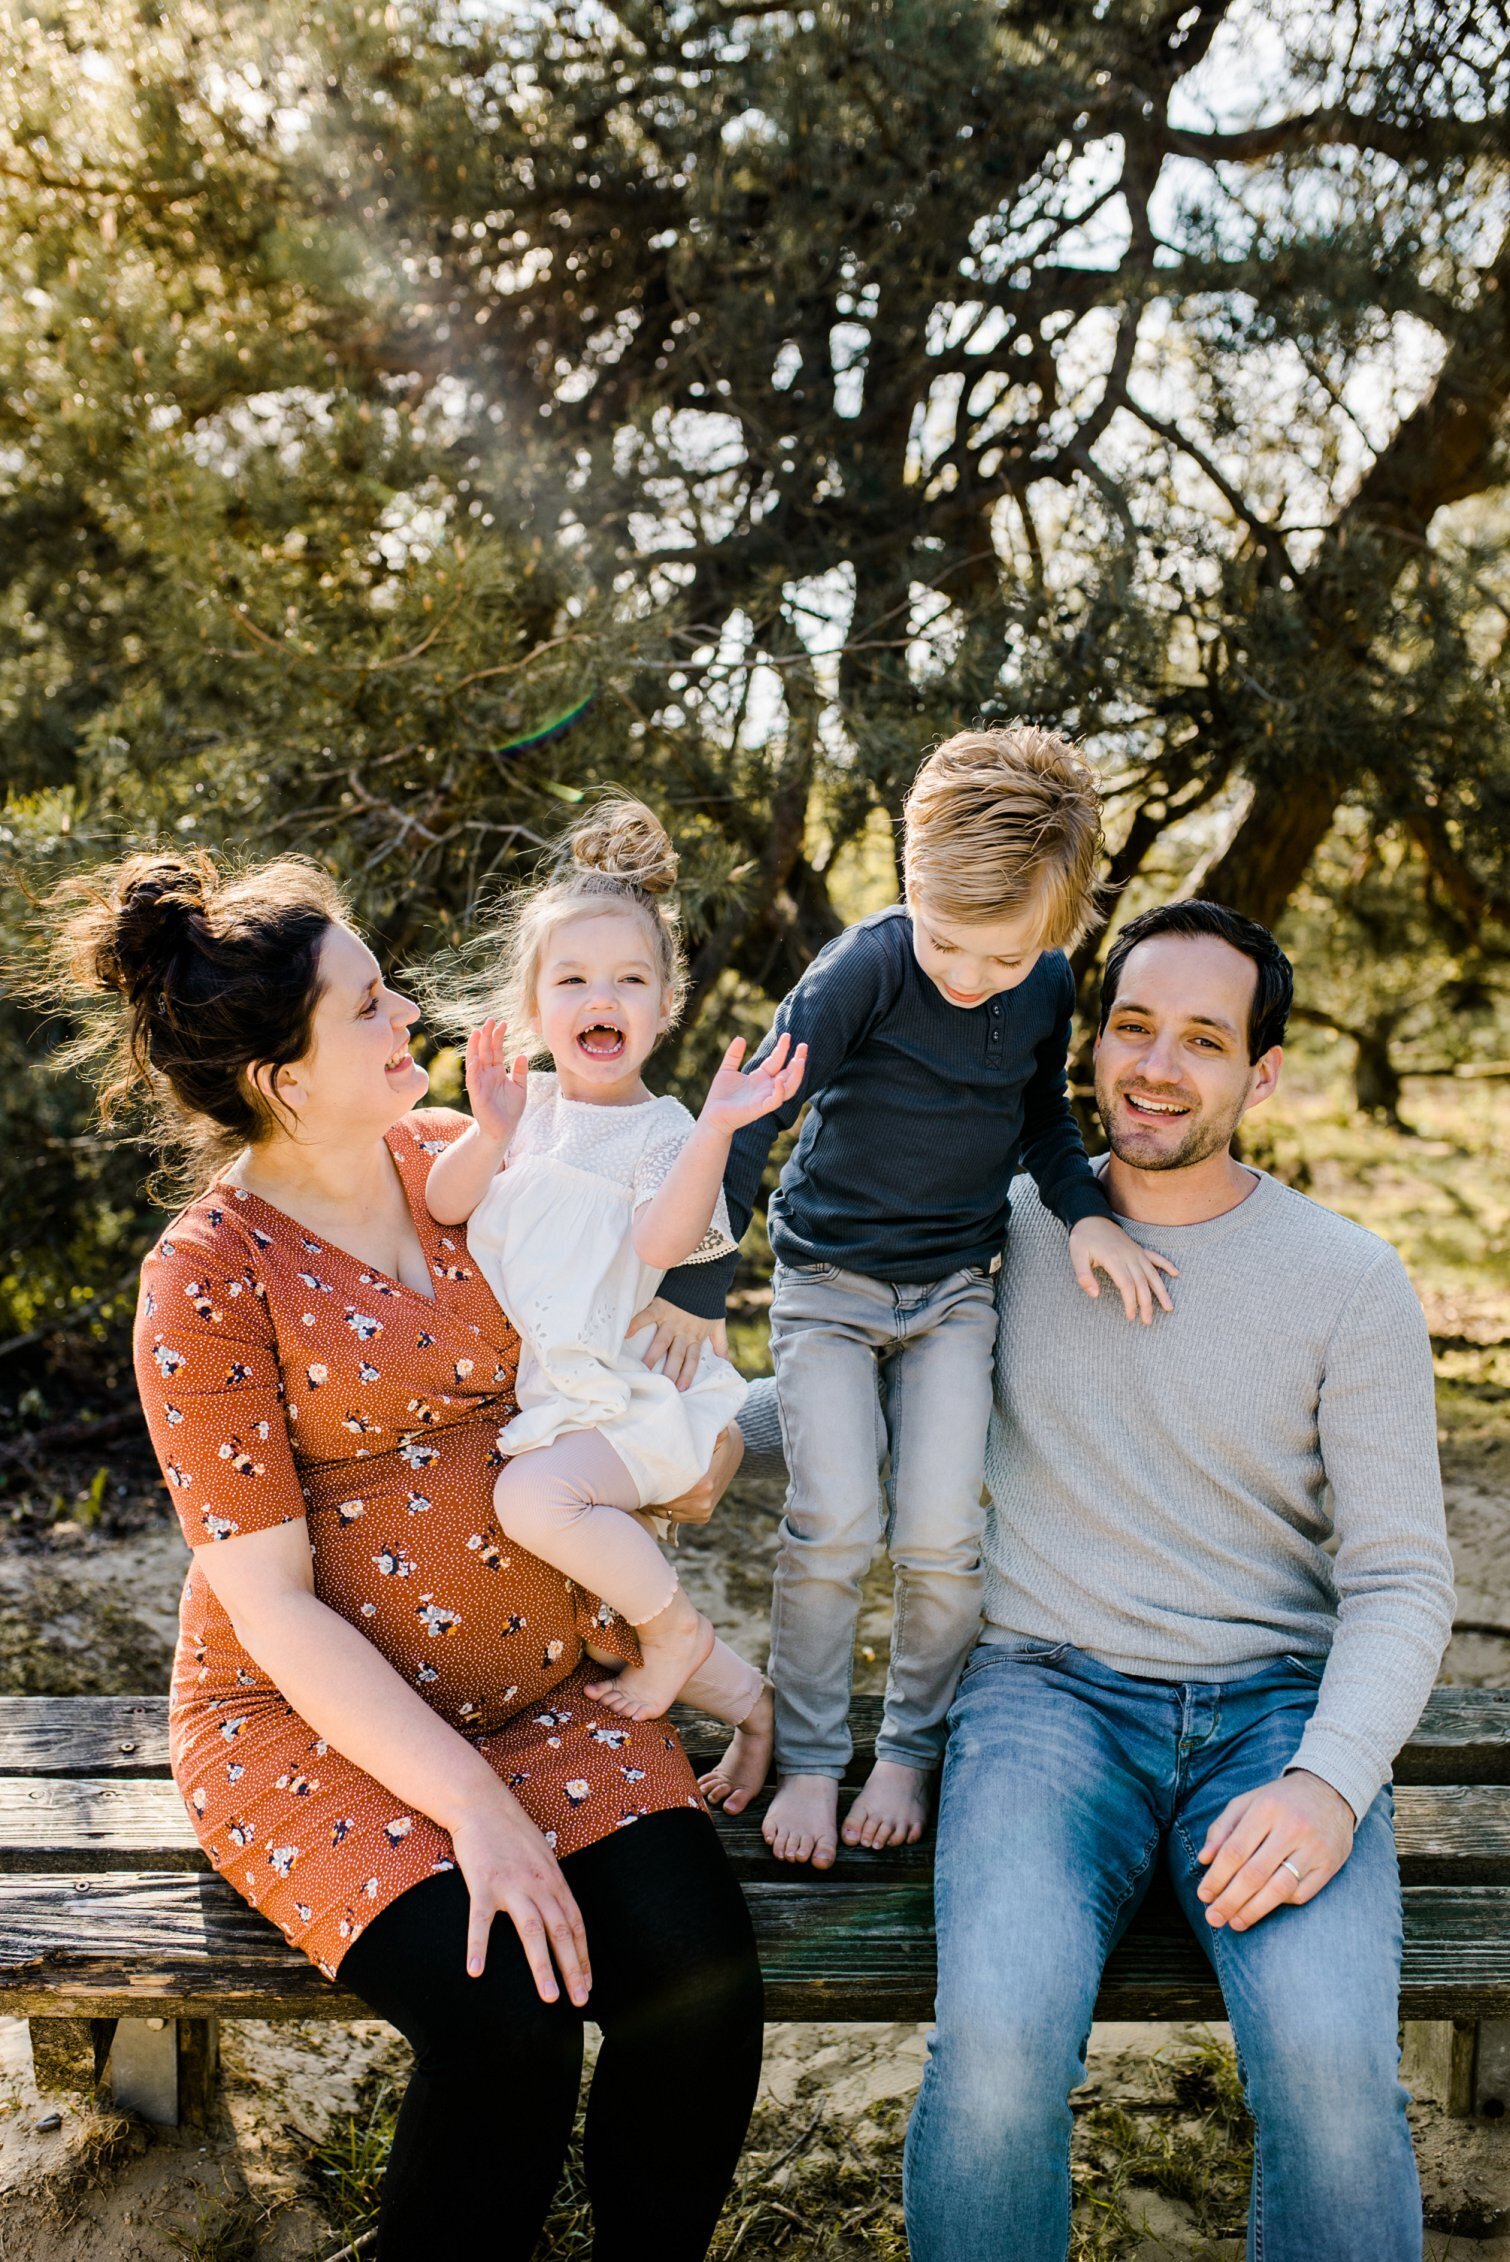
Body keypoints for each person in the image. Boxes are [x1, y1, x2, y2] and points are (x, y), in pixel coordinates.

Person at [38, 850, 763, 2262]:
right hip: (308, 1731)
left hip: (547, 1693)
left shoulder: (464, 1162)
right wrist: (476, 1809)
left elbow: (628, 1339)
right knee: (510, 2027)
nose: (410, 1016)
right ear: (281, 1075)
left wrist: (696, 1452)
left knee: (702, 1981)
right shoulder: (207, 1275)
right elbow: (274, 1607)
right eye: (370, 1004)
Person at [901, 899, 1456, 2262]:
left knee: (1334, 2079)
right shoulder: (1008, 1223)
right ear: (1091, 1042)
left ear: (1259, 1073)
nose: (1155, 1065)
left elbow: (1398, 1575)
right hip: (1046, 1703)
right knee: (993, 2057)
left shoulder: (1345, 1278)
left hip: (1273, 1720)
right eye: (1132, 1026)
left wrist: (1328, 1781)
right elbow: (846, 1375)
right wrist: (642, 1444)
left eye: (1202, 1039)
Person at [690, 727, 1177, 1868]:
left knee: (945, 1532)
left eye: (1000, 961)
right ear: (911, 886)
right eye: (948, 944)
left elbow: (1042, 1121)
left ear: (1056, 937)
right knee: (833, 1524)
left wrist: (1088, 1211)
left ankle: (908, 1745)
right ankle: (812, 1759)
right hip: (826, 1286)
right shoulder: (866, 966)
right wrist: (698, 1289)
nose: (968, 978)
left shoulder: (1047, 981)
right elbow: (754, 1118)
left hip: (956, 1289)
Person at [425, 797, 800, 1781]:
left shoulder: (664, 1132)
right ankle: (752, 1710)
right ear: (535, 1008)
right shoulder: (529, 1108)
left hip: (622, 1394)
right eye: (575, 978)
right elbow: (446, 1200)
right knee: (576, 1605)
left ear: (663, 1008)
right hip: (550, 1397)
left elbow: (663, 1236)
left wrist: (718, 1130)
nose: (606, 995)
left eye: (632, 979)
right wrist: (491, 1128)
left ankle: (674, 1628)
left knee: (533, 1503)